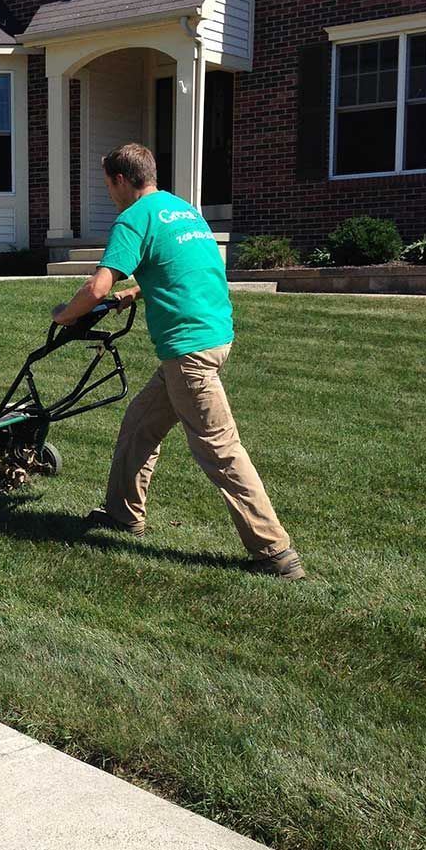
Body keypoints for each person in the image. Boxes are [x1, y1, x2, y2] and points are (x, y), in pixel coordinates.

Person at [51, 142, 304, 580]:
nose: (109, 192)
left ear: (120, 180)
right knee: (140, 424)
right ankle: (122, 514)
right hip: (213, 337)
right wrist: (138, 291)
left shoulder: (133, 218)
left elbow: (95, 288)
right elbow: (183, 269)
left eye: (108, 183)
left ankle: (275, 552)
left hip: (187, 352)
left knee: (220, 450)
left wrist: (63, 315)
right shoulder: (183, 211)